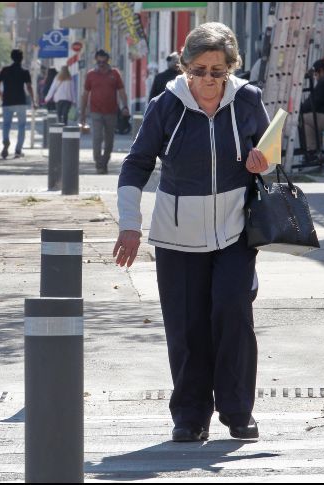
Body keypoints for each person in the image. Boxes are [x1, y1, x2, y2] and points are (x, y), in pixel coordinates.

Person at [114, 22, 271, 443]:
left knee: (233, 313)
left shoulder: (249, 100)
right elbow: (136, 164)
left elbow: (268, 151)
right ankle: (190, 415)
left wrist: (262, 162)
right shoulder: (166, 105)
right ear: (185, 67)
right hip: (177, 235)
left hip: (236, 231)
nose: (207, 80)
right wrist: (130, 223)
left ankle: (239, 412)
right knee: (187, 326)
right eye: (199, 70)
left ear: (230, 70)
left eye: (217, 71)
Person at [79, 49, 130, 174]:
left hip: (111, 112)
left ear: (107, 60)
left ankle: (105, 161)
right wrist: (83, 113)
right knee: (97, 138)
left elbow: (122, 91)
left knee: (109, 140)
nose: (101, 63)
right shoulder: (91, 75)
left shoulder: (115, 73)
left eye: (103, 60)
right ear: (96, 60)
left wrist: (125, 106)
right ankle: (98, 163)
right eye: (99, 60)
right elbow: (85, 94)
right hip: (95, 111)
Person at [0, 49, 37, 159]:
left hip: (7, 101)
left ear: (11, 57)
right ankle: (18, 150)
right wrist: (33, 100)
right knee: (22, 126)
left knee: (6, 125)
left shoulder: (5, 70)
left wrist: (1, 95)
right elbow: (29, 87)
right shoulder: (24, 72)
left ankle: (5, 140)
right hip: (20, 101)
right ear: (21, 58)